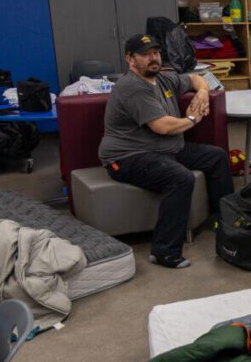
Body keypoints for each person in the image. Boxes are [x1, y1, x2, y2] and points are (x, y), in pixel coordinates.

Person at [98, 33, 233, 269]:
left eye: (156, 53)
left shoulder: (162, 79)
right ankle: (164, 250)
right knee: (180, 178)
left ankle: (228, 221)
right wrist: (193, 117)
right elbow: (163, 126)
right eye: (146, 54)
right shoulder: (132, 87)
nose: (153, 58)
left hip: (165, 150)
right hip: (127, 156)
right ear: (130, 59)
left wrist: (202, 92)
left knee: (217, 157)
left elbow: (194, 78)